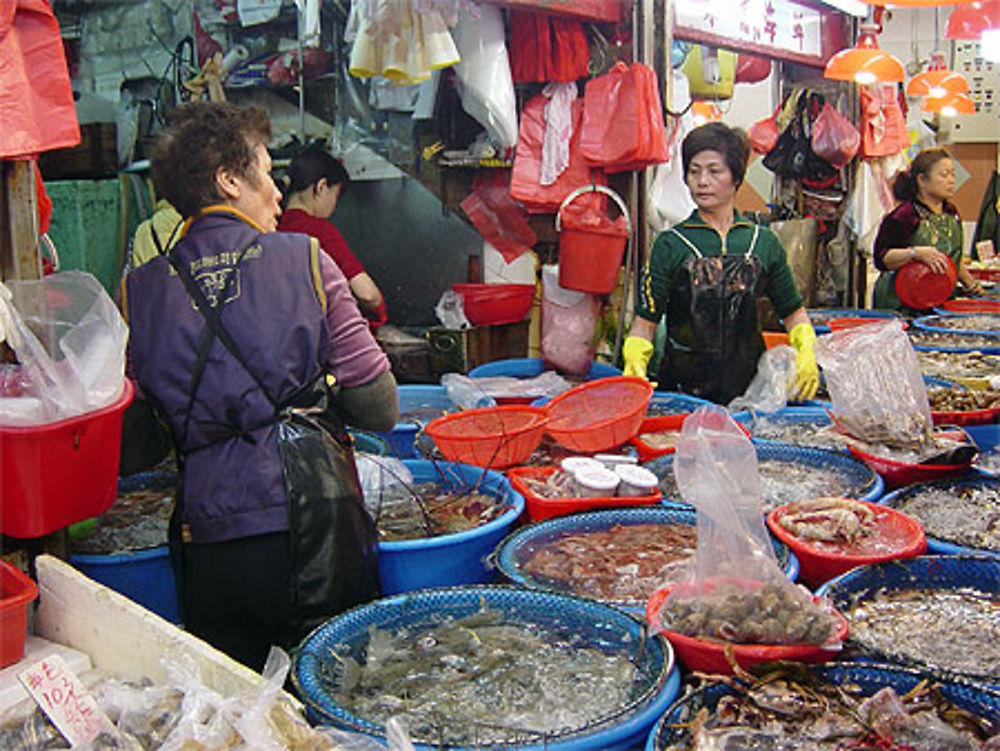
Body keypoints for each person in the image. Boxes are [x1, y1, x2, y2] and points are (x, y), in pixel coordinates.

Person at [122, 102, 398, 670]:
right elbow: (379, 407)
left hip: (209, 545)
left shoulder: (141, 290)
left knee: (237, 709)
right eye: (268, 174)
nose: (278, 193)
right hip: (313, 531)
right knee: (334, 693)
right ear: (229, 180)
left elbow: (138, 447)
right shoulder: (306, 260)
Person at [622, 122, 819, 405]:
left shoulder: (762, 243)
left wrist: (806, 349)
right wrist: (635, 357)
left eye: (714, 171)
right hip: (681, 394)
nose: (702, 181)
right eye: (694, 171)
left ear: (736, 177)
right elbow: (645, 323)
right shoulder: (670, 244)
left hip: (750, 394)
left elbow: (793, 312)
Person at [278, 148, 387, 328]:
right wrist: (379, 311)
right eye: (335, 195)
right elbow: (368, 294)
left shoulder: (272, 226)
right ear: (321, 187)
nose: (334, 206)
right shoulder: (317, 229)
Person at [873, 147, 983, 312]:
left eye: (953, 174)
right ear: (922, 180)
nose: (951, 180)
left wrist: (972, 285)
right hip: (901, 304)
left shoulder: (951, 213)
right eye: (944, 175)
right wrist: (915, 253)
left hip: (940, 300)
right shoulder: (904, 215)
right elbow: (882, 259)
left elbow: (953, 260)